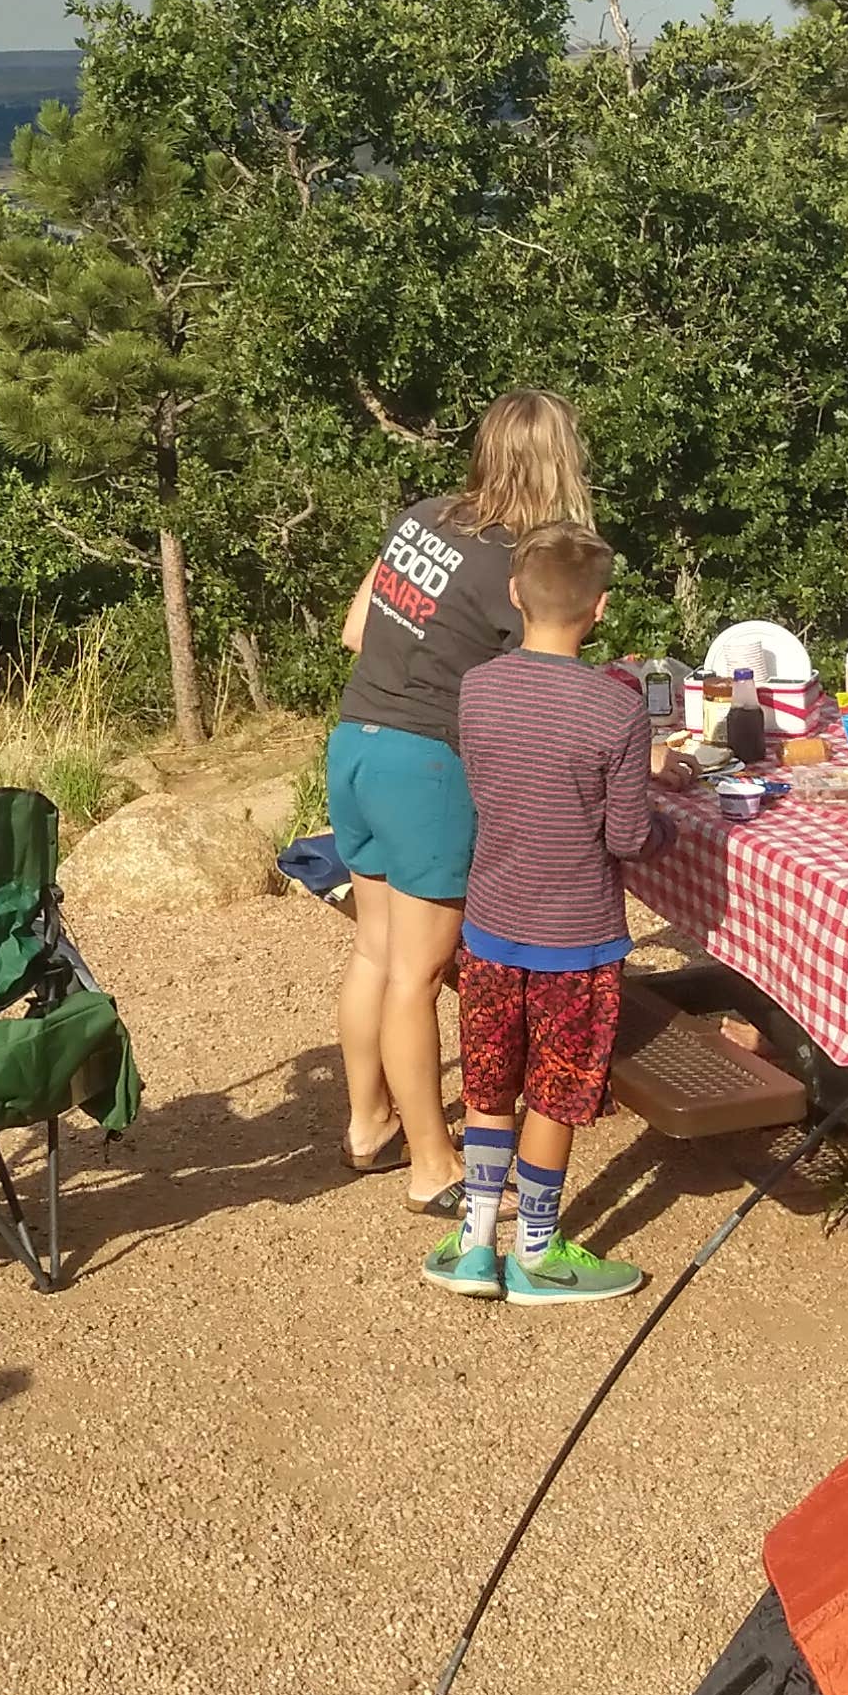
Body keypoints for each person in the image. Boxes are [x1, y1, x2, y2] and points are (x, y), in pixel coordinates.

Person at [328, 390, 596, 1214]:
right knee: (420, 971)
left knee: (376, 951)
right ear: (559, 462)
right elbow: (536, 685)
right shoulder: (519, 562)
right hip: (425, 768)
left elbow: (352, 629)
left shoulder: (424, 517)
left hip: (356, 743)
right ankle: (432, 1164)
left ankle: (368, 1123)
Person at [429, 522, 656, 1308]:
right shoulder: (616, 710)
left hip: (491, 923)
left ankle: (474, 1242)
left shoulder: (477, 686)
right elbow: (628, 836)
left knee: (490, 1083)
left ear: (516, 594)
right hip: (578, 938)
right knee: (555, 1094)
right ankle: (536, 1250)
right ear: (599, 609)